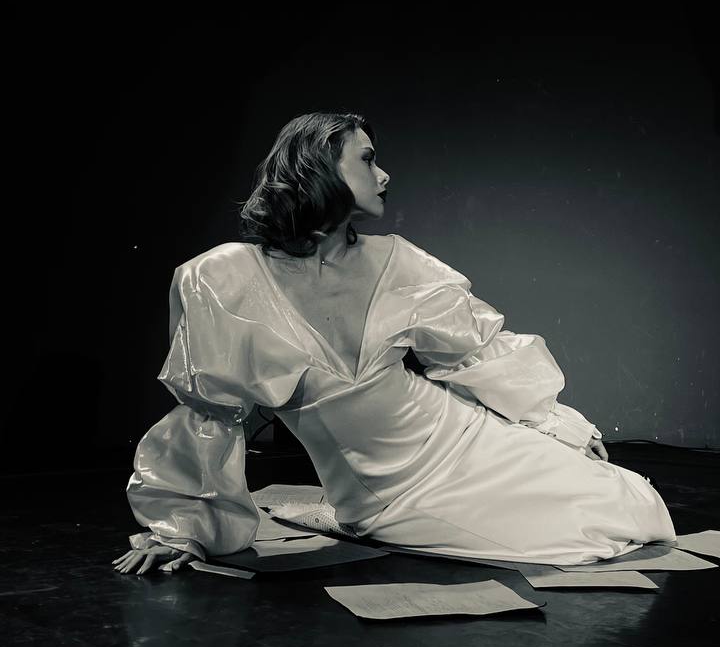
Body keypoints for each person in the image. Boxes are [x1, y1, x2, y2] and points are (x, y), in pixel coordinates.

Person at [112, 111, 675, 578]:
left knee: (628, 505)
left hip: (465, 438)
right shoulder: (221, 277)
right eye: (367, 159)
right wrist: (182, 529)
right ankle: (351, 517)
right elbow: (208, 413)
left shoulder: (395, 259)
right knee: (580, 535)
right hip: (391, 495)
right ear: (318, 168)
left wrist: (557, 425)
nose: (383, 175)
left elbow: (478, 348)